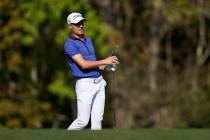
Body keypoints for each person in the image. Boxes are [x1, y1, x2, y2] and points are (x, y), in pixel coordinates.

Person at [64, 12, 118, 130]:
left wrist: (107, 65)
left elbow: (94, 65)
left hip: (99, 82)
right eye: (77, 24)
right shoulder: (69, 44)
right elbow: (83, 64)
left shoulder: (89, 40)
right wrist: (104, 60)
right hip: (85, 85)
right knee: (82, 121)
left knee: (97, 122)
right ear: (70, 26)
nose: (80, 26)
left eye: (81, 22)